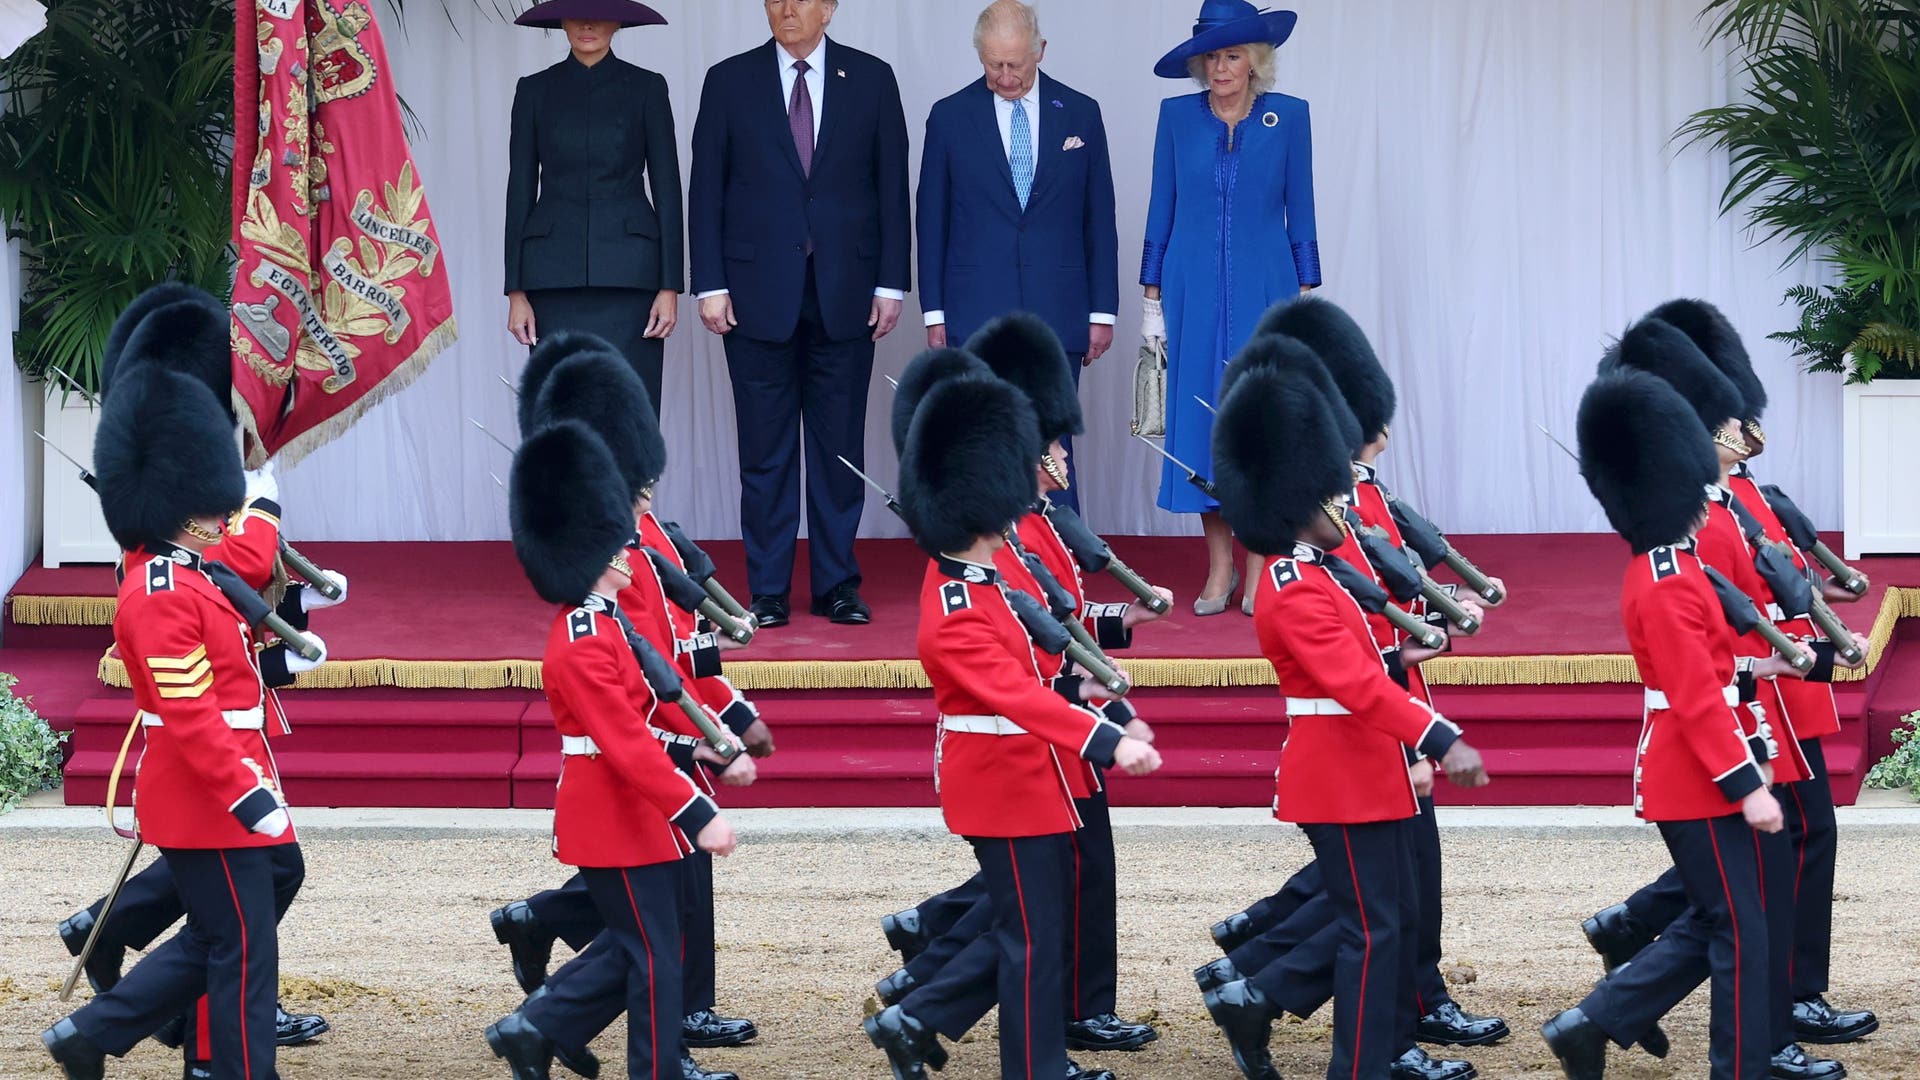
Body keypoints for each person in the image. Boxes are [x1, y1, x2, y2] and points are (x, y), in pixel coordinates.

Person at [58, 284, 336, 1079]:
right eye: (210, 503)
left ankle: (103, 1035)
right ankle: (214, 1062)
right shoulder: (160, 585)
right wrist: (246, 790)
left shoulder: (183, 566)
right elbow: (190, 708)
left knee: (251, 911)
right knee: (238, 942)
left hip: (224, 776)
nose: (221, 513)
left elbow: (236, 642)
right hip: (205, 785)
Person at [865, 370, 1161, 1080]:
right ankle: (1030, 1065)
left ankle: (922, 1015)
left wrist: (1099, 686)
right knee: (1031, 933)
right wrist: (1109, 737)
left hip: (1035, 774)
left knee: (1030, 925)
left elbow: (1046, 657)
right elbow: (1015, 695)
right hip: (1003, 780)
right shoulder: (959, 603)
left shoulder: (987, 578)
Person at [1203, 362, 1488, 1080]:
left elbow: (1365, 664)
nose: (1344, 505)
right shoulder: (1293, 585)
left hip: (1371, 768)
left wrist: (1408, 650)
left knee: (1386, 924)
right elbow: (1350, 683)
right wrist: (1438, 735)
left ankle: (1381, 1052)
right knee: (1371, 931)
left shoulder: (1319, 572)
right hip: (1341, 775)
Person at [1541, 367, 1785, 1080]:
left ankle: (1592, 1023)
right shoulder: (1668, 576)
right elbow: (1692, 697)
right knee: (1739, 929)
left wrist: (1757, 671)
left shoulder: (1670, 565)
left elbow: (1707, 670)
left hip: (1699, 760)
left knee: (1722, 920)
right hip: (1694, 773)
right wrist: (1748, 785)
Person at [487, 419, 738, 1080]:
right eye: (618, 549)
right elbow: (622, 741)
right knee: (651, 947)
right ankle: (644, 1064)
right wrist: (697, 810)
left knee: (645, 945)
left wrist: (704, 747)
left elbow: (651, 716)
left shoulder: (608, 625)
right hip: (611, 810)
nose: (631, 557)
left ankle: (535, 1029)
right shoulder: (584, 638)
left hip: (634, 809)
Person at [690, 0, 911, 629]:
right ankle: (768, 589)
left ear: (830, 8)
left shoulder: (871, 78)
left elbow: (891, 186)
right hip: (755, 293)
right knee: (765, 451)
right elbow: (705, 187)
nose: (788, 8)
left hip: (846, 291)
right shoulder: (728, 80)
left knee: (838, 448)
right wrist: (709, 282)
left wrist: (892, 283)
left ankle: (837, 583)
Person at [1141, 0, 1318, 615]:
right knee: (1200, 426)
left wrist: (1306, 289)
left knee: (1261, 424)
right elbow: (1161, 204)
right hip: (1189, 286)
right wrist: (1151, 295)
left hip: (1266, 287)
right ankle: (1219, 568)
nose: (1221, 68)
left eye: (1233, 55)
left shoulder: (1289, 117)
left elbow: (1303, 205)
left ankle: (1261, 561)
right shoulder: (1176, 118)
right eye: (1212, 56)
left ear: (1255, 61)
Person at [916, 0, 1118, 512]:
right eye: (992, 64)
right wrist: (934, 312)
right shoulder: (949, 116)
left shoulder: (1082, 113)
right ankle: (989, 565)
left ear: (1040, 52)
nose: (1004, 76)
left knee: (1053, 440)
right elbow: (931, 219)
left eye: (1015, 64)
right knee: (982, 438)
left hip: (1060, 305)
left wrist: (1102, 312)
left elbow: (1100, 218)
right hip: (974, 308)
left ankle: (1059, 568)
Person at [504, 0, 682, 413]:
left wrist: (669, 285)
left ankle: (631, 483)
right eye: (577, 13)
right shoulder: (533, 90)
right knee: (559, 412)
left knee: (628, 411)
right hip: (552, 280)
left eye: (599, 13)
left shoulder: (648, 87)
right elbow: (520, 190)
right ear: (562, 20)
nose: (587, 24)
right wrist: (515, 291)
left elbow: (668, 189)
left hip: (631, 281)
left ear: (618, 21)